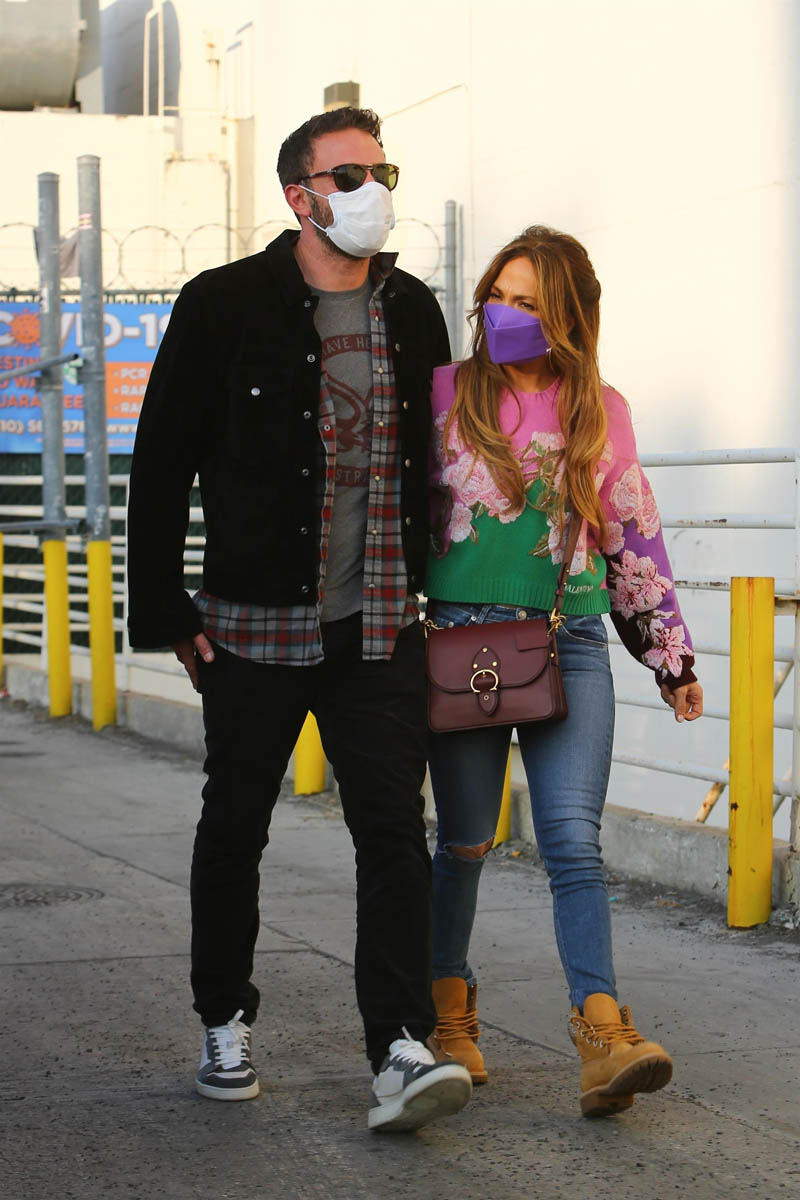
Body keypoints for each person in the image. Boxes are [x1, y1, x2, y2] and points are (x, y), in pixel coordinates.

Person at [126, 106, 472, 1132]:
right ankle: (223, 1019)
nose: (372, 191)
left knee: (392, 834)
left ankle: (399, 1044)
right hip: (253, 627)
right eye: (349, 175)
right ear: (299, 195)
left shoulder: (411, 309)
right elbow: (161, 463)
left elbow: (444, 459)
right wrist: (165, 608)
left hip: (378, 623)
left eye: (381, 172)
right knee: (235, 827)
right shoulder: (222, 303)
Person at [424, 225, 703, 1117]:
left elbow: (632, 535)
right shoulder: (444, 392)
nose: (506, 314)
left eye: (531, 304)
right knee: (465, 842)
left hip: (569, 640)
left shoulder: (600, 409)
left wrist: (670, 656)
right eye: (499, 296)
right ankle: (448, 1016)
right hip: (459, 644)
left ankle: (603, 1035)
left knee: (574, 843)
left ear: (570, 320)